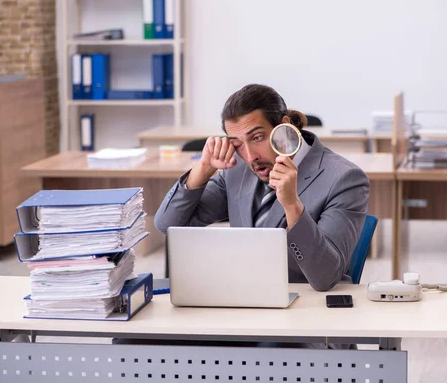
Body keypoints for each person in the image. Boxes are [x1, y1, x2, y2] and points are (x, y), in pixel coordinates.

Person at [154, 84, 370, 292]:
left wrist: (293, 206)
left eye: (257, 138)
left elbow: (325, 277)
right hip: (245, 298)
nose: (250, 157)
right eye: (237, 144)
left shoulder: (344, 179)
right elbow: (167, 224)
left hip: (306, 306)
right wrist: (202, 169)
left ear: (285, 126)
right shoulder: (237, 170)